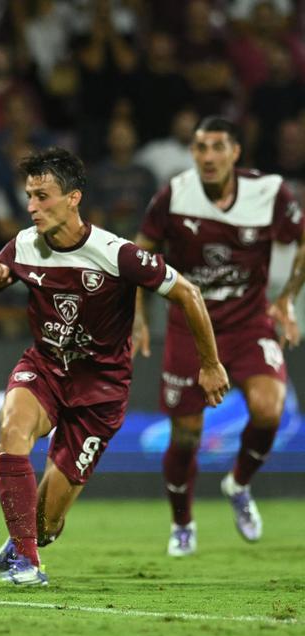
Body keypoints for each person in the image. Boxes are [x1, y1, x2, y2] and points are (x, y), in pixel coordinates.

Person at [0, 147, 229, 586]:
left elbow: (188, 293)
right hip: (45, 369)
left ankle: (22, 544)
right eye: (29, 197)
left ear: (73, 198)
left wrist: (210, 364)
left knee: (47, 524)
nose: (32, 207)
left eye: (42, 196)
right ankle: (27, 564)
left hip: (100, 391)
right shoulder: (25, 245)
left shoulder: (116, 254)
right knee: (12, 431)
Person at [133, 116, 304, 557]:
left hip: (249, 323)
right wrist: (137, 315)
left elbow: (301, 239)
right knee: (186, 434)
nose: (208, 157)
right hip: (189, 327)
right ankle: (182, 524)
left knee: (269, 408)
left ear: (235, 152)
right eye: (200, 148)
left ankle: (239, 484)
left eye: (217, 147)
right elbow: (138, 253)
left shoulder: (269, 192)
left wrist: (286, 299)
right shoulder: (175, 195)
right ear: (192, 152)